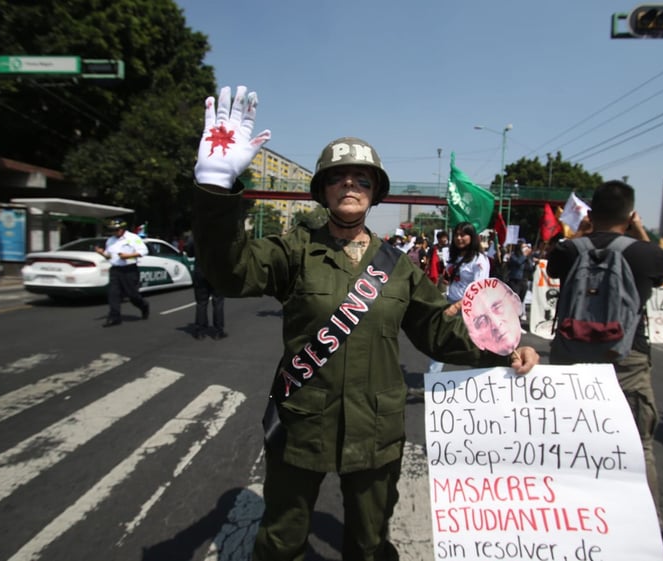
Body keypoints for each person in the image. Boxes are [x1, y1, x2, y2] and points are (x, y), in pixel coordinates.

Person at [191, 85, 539, 561]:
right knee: (280, 541)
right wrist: (214, 188)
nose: (350, 185)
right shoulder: (293, 251)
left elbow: (439, 331)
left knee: (369, 545)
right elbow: (228, 272)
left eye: (362, 179)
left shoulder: (399, 266)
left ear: (375, 192)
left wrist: (505, 349)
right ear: (323, 189)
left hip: (376, 431)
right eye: (338, 178)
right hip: (301, 424)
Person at [546, 180, 663, 512]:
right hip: (627, 358)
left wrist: (582, 233)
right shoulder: (646, 254)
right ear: (629, 215)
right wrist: (639, 229)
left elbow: (553, 262)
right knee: (639, 445)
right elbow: (661, 271)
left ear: (591, 213)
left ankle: (573, 513)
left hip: (571, 358)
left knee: (571, 439)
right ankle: (647, 527)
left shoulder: (570, 250)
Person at [428, 221, 492, 374]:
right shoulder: (454, 256)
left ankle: (481, 383)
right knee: (440, 342)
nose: (459, 238)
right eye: (456, 234)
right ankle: (432, 381)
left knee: (475, 347)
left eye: (463, 234)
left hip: (471, 310)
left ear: (472, 237)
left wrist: (457, 306)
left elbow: (478, 290)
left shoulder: (479, 260)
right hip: (451, 304)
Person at [94, 219, 150, 327]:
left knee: (132, 295)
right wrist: (102, 253)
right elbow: (109, 256)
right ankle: (114, 317)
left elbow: (144, 251)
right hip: (115, 270)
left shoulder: (133, 238)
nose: (115, 232)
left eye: (117, 229)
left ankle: (143, 305)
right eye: (113, 230)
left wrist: (128, 256)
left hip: (129, 270)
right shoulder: (110, 240)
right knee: (113, 294)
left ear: (123, 229)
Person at [186, 234, 227, 340]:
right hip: (217, 271)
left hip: (201, 270)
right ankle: (218, 331)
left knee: (201, 302)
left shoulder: (196, 233)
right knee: (218, 301)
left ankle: (200, 331)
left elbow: (189, 253)